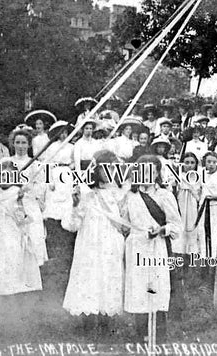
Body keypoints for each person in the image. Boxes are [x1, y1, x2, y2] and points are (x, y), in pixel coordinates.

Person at [62, 150, 126, 332]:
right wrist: (75, 205)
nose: (111, 172)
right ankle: (88, 323)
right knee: (90, 278)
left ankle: (107, 323)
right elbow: (71, 225)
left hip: (111, 243)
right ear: (96, 170)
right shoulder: (85, 192)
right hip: (90, 243)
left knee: (109, 277)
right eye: (106, 168)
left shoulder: (119, 193)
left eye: (114, 168)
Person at [122, 154, 182, 342]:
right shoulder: (130, 196)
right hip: (136, 246)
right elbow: (124, 224)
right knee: (139, 289)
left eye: (151, 170)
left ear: (157, 173)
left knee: (156, 288)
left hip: (156, 247)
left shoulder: (165, 195)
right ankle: (141, 336)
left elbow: (176, 226)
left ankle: (159, 336)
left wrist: (161, 229)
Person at [0, 160, 43, 296]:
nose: (5, 179)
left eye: (9, 176)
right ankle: (2, 290)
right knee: (0, 262)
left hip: (12, 233)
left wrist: (19, 202)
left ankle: (14, 289)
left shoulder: (16, 193)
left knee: (12, 259)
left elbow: (23, 219)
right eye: (2, 176)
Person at [42, 121, 76, 295]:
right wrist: (49, 181)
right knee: (54, 205)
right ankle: (55, 233)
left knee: (67, 204)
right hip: (55, 175)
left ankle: (66, 229)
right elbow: (47, 164)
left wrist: (71, 171)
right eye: (60, 133)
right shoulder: (51, 147)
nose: (63, 135)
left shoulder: (72, 147)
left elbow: (75, 164)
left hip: (67, 176)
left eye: (66, 132)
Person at [8, 129, 48, 266]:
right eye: (17, 142)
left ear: (29, 145)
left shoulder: (34, 164)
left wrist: (29, 190)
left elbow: (42, 185)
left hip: (29, 202)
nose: (20, 146)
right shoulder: (7, 162)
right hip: (12, 203)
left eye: (24, 143)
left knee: (33, 234)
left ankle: (32, 267)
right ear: (13, 144)